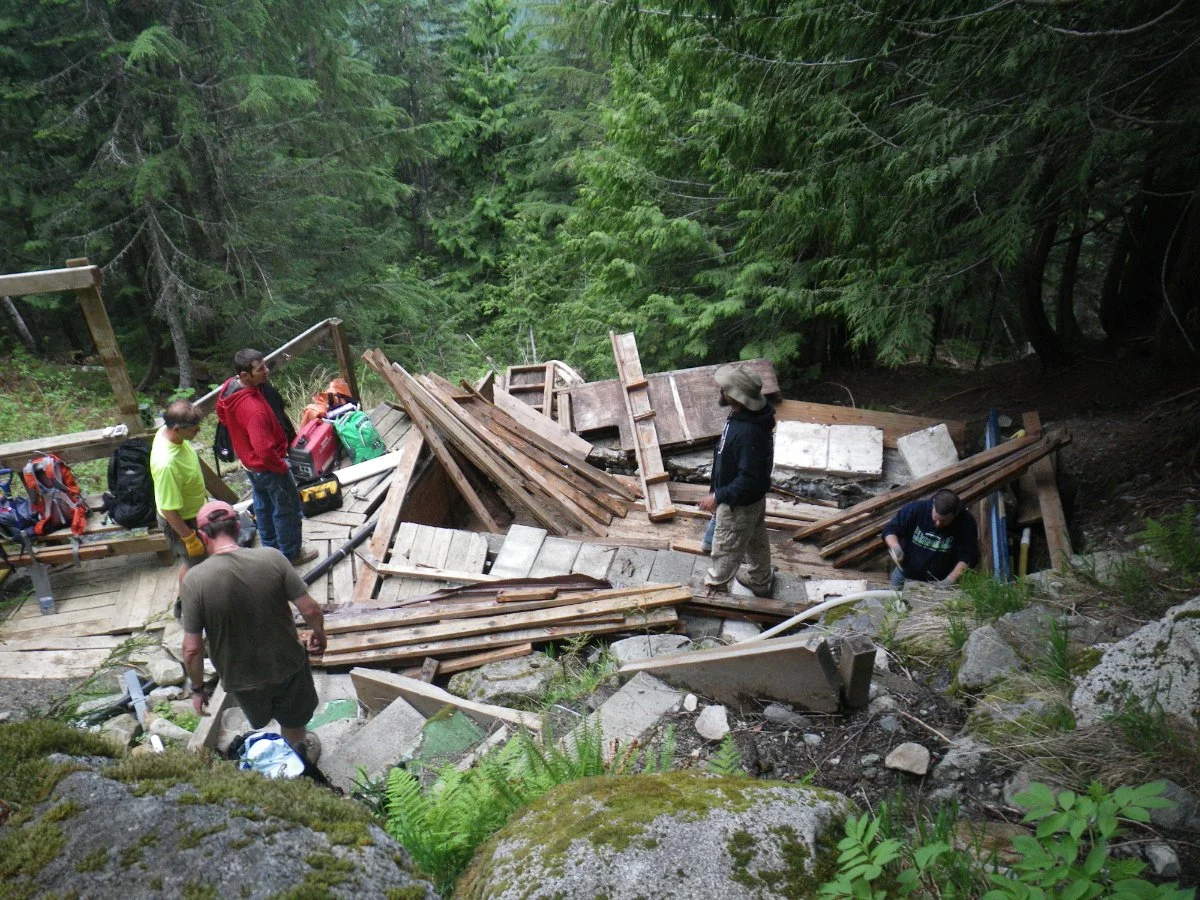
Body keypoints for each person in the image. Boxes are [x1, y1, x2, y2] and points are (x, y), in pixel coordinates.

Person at [182, 501, 326, 761]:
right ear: (238, 527)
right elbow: (311, 609)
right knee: (294, 722)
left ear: (203, 536)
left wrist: (198, 689)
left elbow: (191, 649)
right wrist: (320, 635)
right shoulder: (272, 557)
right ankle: (296, 756)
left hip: (241, 678)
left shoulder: (194, 581)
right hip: (287, 665)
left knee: (260, 718)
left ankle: (274, 756)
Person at [215, 349, 317, 565]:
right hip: (268, 466)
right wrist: (281, 466)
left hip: (250, 464)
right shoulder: (254, 410)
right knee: (287, 509)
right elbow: (264, 449)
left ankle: (270, 548)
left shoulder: (229, 388)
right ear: (245, 375)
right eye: (260, 369)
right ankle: (290, 554)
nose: (266, 371)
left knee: (263, 505)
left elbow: (221, 414)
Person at [700, 363, 777, 597]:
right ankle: (760, 579)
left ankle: (715, 589)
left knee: (725, 546)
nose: (720, 391)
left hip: (739, 505)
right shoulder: (743, 416)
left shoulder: (748, 432)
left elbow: (749, 479)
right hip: (750, 500)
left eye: (724, 388)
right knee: (755, 540)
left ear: (735, 396)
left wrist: (719, 496)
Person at [150, 399, 208, 606]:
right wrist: (189, 538)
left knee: (195, 563)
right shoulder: (167, 464)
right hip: (182, 522)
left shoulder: (168, 435)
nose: (198, 431)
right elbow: (168, 509)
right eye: (194, 428)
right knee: (194, 566)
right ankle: (185, 606)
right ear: (176, 428)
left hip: (195, 512)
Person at [882, 489, 980, 589]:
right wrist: (895, 546)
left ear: (955, 515)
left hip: (938, 581)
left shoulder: (966, 523)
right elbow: (890, 529)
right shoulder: (916, 509)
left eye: (943, 521)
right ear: (933, 506)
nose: (938, 524)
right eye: (935, 518)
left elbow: (968, 556)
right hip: (904, 573)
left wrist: (950, 580)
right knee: (894, 602)